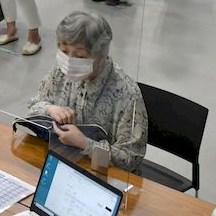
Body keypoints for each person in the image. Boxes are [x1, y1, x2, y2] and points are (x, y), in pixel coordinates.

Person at [27, 11, 148, 171]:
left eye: (81, 56)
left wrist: (85, 143)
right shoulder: (60, 71)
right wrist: (50, 109)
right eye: (64, 51)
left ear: (103, 55)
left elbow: (130, 158)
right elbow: (34, 106)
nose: (69, 61)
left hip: (103, 175)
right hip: (61, 161)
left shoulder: (127, 94)